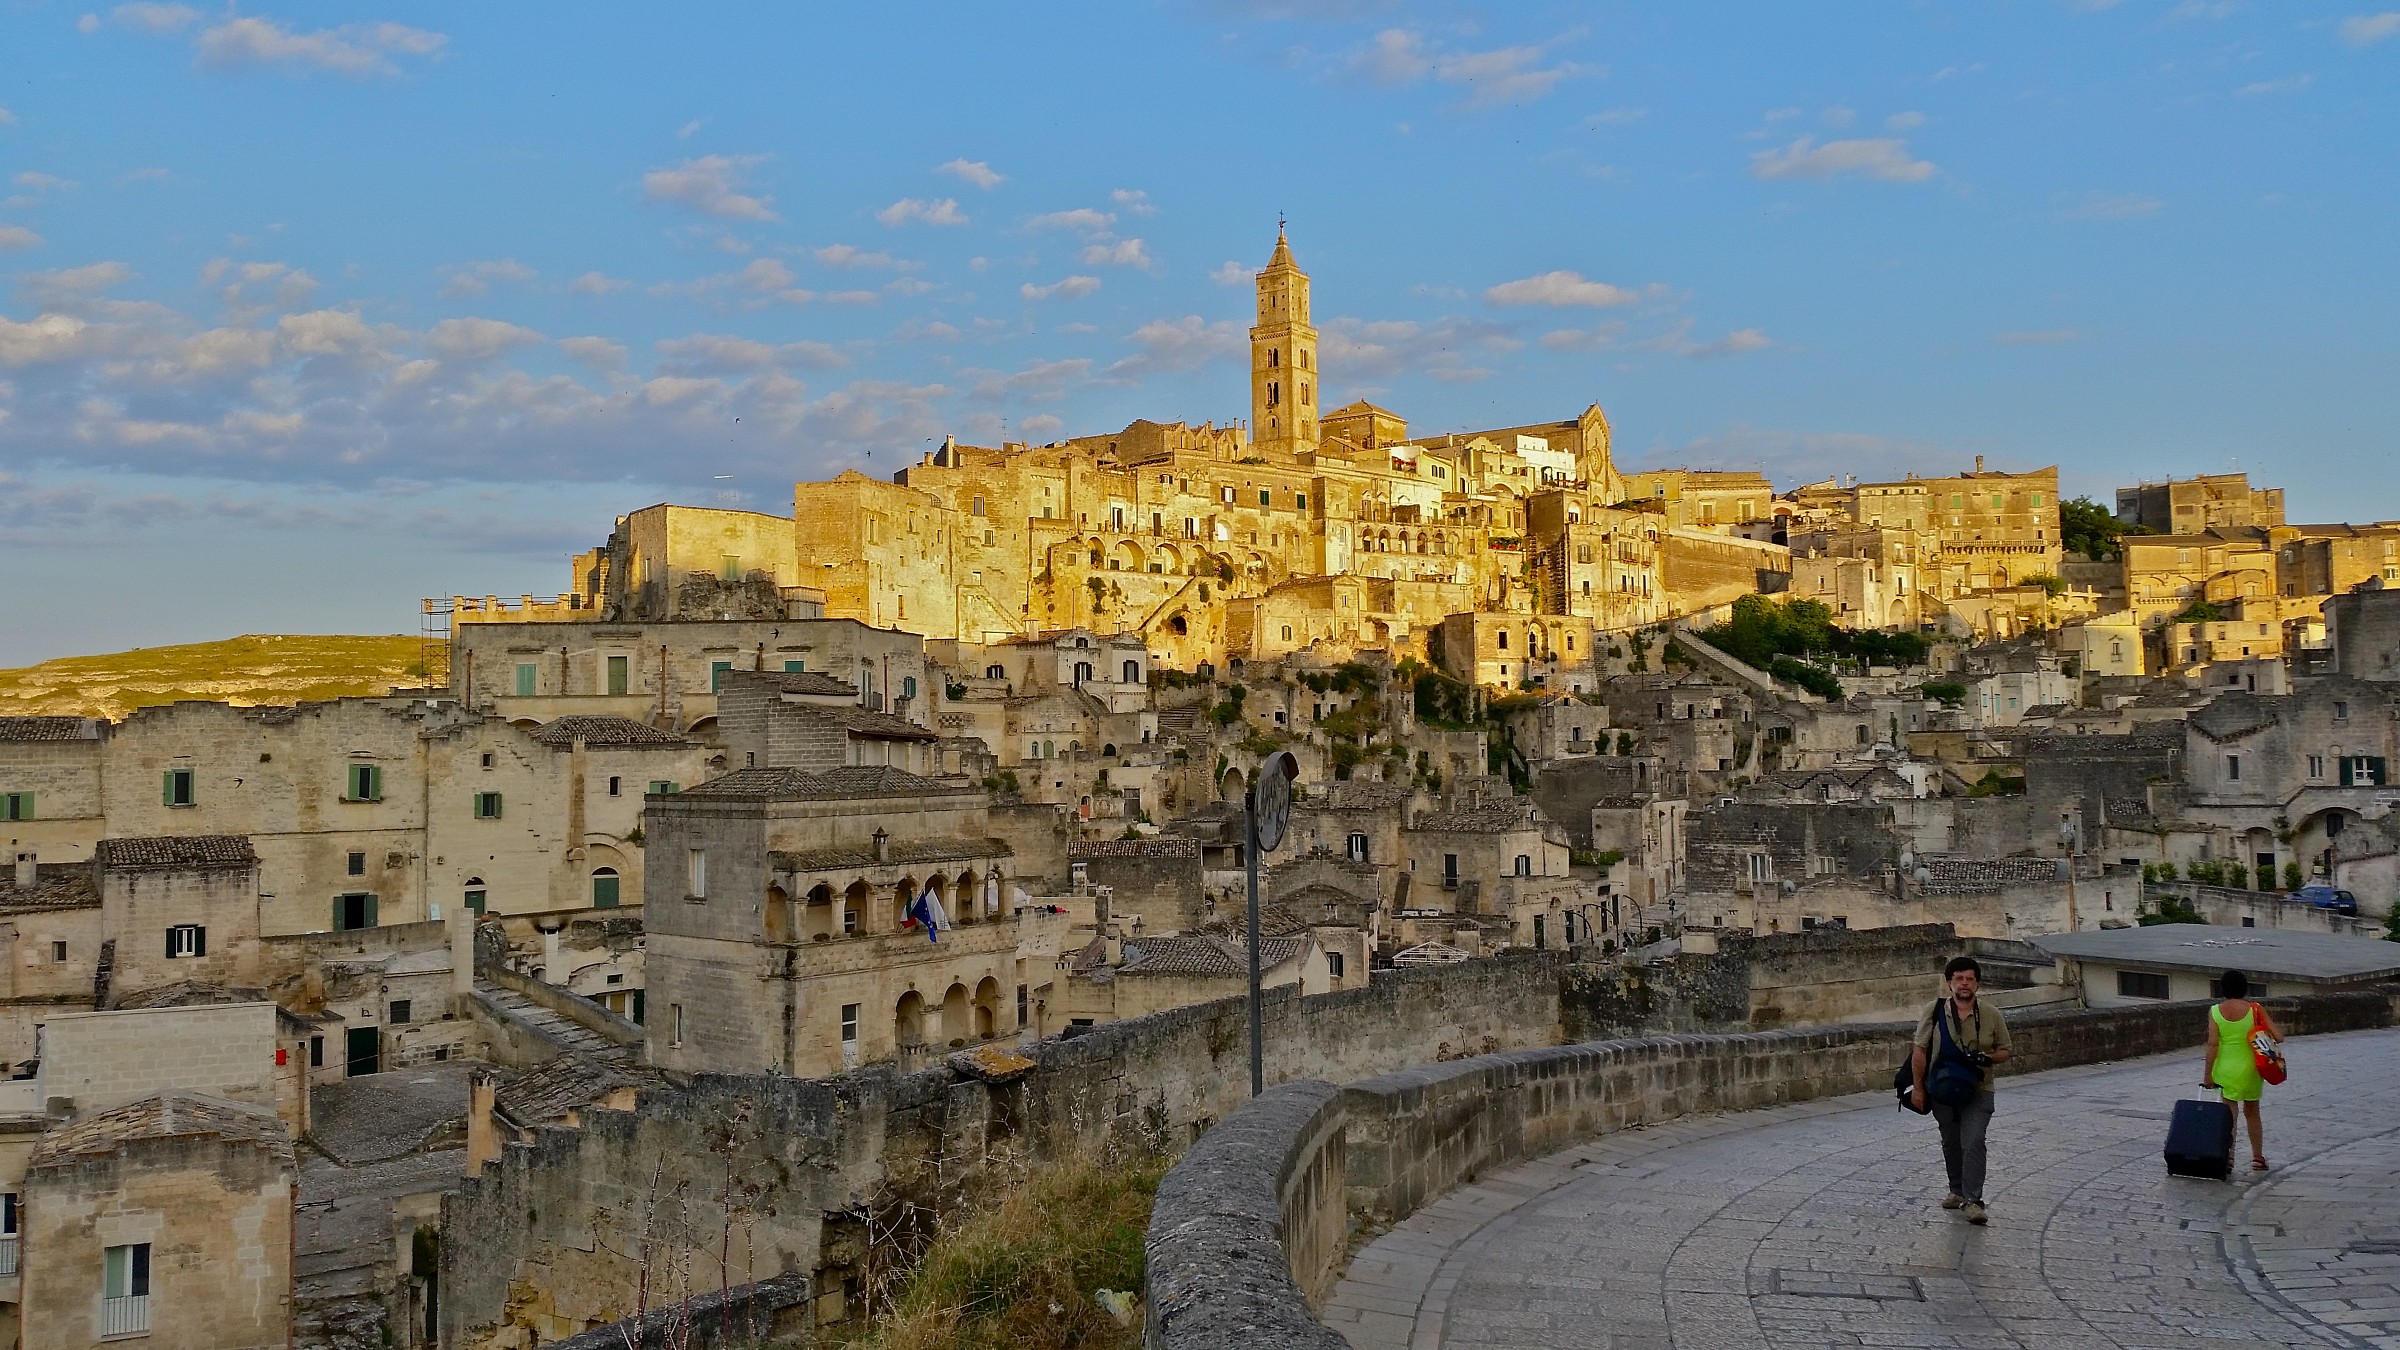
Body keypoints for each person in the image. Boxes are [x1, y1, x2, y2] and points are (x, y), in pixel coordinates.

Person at [1910, 955, 2014, 1225]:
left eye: (1969, 979)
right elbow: (1919, 1050)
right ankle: (1956, 1190)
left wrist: (1988, 1057)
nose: (1964, 984)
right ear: (1949, 983)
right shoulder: (1933, 1011)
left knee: (1974, 1140)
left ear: (1977, 984)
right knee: (1951, 1142)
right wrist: (1918, 1088)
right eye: (1959, 979)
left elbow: (2006, 1050)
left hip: (1979, 1088)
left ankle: (1974, 1200)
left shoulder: (1991, 1014)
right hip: (1942, 1088)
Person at [2203, 969, 2282, 1172]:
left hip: (2225, 1068)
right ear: (2245, 988)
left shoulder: (2214, 1011)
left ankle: (2228, 1157)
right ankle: (2257, 1158)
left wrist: (2208, 1074)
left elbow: (2212, 1044)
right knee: (2252, 1112)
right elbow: (2279, 1036)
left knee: (2229, 1114)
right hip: (2251, 1067)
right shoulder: (2255, 1009)